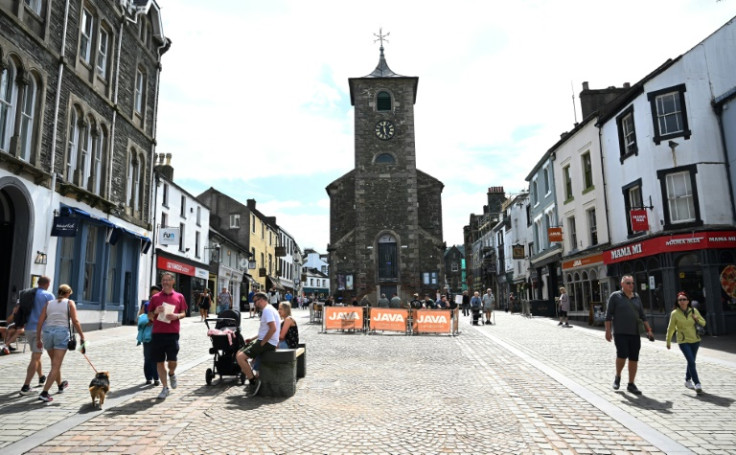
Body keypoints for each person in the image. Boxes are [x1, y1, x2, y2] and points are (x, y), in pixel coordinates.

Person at [35, 284, 85, 402]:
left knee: (54, 363)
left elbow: (40, 322)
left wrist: (38, 338)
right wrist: (82, 336)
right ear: (68, 293)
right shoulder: (69, 303)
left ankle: (60, 385)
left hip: (47, 333)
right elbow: (75, 321)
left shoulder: (49, 304)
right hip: (61, 333)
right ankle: (44, 392)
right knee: (56, 365)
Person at [605, 275, 653, 395]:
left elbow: (642, 315)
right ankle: (618, 376)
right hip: (620, 332)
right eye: (628, 283)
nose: (631, 285)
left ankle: (631, 384)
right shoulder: (615, 296)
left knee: (634, 358)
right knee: (622, 355)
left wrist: (649, 330)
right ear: (622, 284)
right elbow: (608, 315)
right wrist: (607, 331)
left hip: (635, 333)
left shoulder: (636, 297)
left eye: (632, 283)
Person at [148, 272, 188, 400]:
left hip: (172, 333)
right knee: (159, 362)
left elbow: (183, 313)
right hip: (158, 333)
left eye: (167, 280)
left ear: (172, 282)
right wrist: (154, 312)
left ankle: (171, 373)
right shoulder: (155, 298)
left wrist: (176, 316)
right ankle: (165, 387)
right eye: (163, 280)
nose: (165, 282)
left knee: (172, 360)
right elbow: (148, 316)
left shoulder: (179, 296)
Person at [236, 292, 280, 397]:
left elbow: (273, 329)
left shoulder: (267, 310)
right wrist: (253, 339)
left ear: (261, 300)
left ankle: (253, 382)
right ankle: (252, 376)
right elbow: (265, 330)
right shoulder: (269, 309)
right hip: (264, 340)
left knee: (240, 357)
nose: (255, 304)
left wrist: (263, 343)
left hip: (267, 342)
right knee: (238, 353)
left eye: (255, 301)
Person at [18, 276, 54, 396]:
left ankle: (41, 376)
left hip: (28, 328)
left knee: (36, 353)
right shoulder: (48, 296)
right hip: (41, 330)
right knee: (35, 357)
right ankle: (26, 386)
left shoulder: (27, 294)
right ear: (48, 284)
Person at [666, 291, 706, 394]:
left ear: (688, 301)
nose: (682, 301)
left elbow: (703, 323)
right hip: (683, 341)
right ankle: (697, 384)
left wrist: (697, 319)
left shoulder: (694, 311)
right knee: (692, 362)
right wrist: (668, 341)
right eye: (680, 300)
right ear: (678, 302)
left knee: (691, 361)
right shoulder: (674, 313)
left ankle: (687, 380)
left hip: (695, 340)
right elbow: (671, 328)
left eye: (684, 299)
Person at [137, 285, 161, 386]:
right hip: (147, 335)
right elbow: (139, 317)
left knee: (156, 357)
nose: (154, 297)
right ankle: (148, 377)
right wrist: (146, 320)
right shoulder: (146, 305)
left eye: (156, 295)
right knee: (147, 358)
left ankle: (156, 377)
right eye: (152, 295)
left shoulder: (163, 306)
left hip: (159, 334)